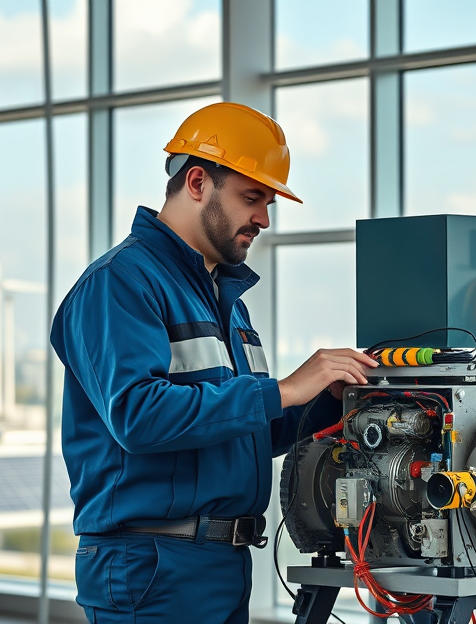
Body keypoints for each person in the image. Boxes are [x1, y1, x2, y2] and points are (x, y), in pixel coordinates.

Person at [50, 102, 377, 624]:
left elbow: (245, 428)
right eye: (252, 198)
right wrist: (283, 389)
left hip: (222, 565)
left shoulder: (224, 301)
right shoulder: (119, 284)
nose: (264, 219)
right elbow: (138, 416)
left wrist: (326, 398)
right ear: (198, 182)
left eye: (268, 202)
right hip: (153, 569)